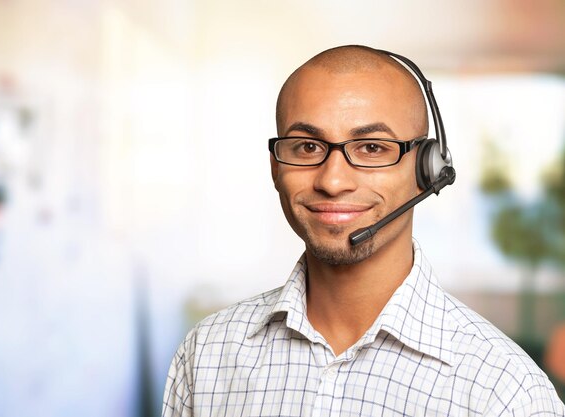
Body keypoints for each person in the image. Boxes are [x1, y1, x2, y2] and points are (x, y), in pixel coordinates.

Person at [162, 45, 565, 416]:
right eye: (306, 147)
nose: (333, 181)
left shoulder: (505, 391)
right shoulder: (207, 354)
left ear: (428, 170)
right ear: (275, 167)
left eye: (371, 148)